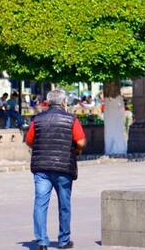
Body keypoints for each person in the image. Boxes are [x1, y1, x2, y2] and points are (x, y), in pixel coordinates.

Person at [24, 89, 86, 250]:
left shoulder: (37, 119)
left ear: (48, 102)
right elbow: (80, 142)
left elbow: (29, 141)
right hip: (64, 167)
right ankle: (63, 241)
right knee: (64, 204)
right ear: (64, 102)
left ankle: (42, 242)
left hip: (41, 167)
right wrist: (76, 151)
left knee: (40, 204)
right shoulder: (71, 119)